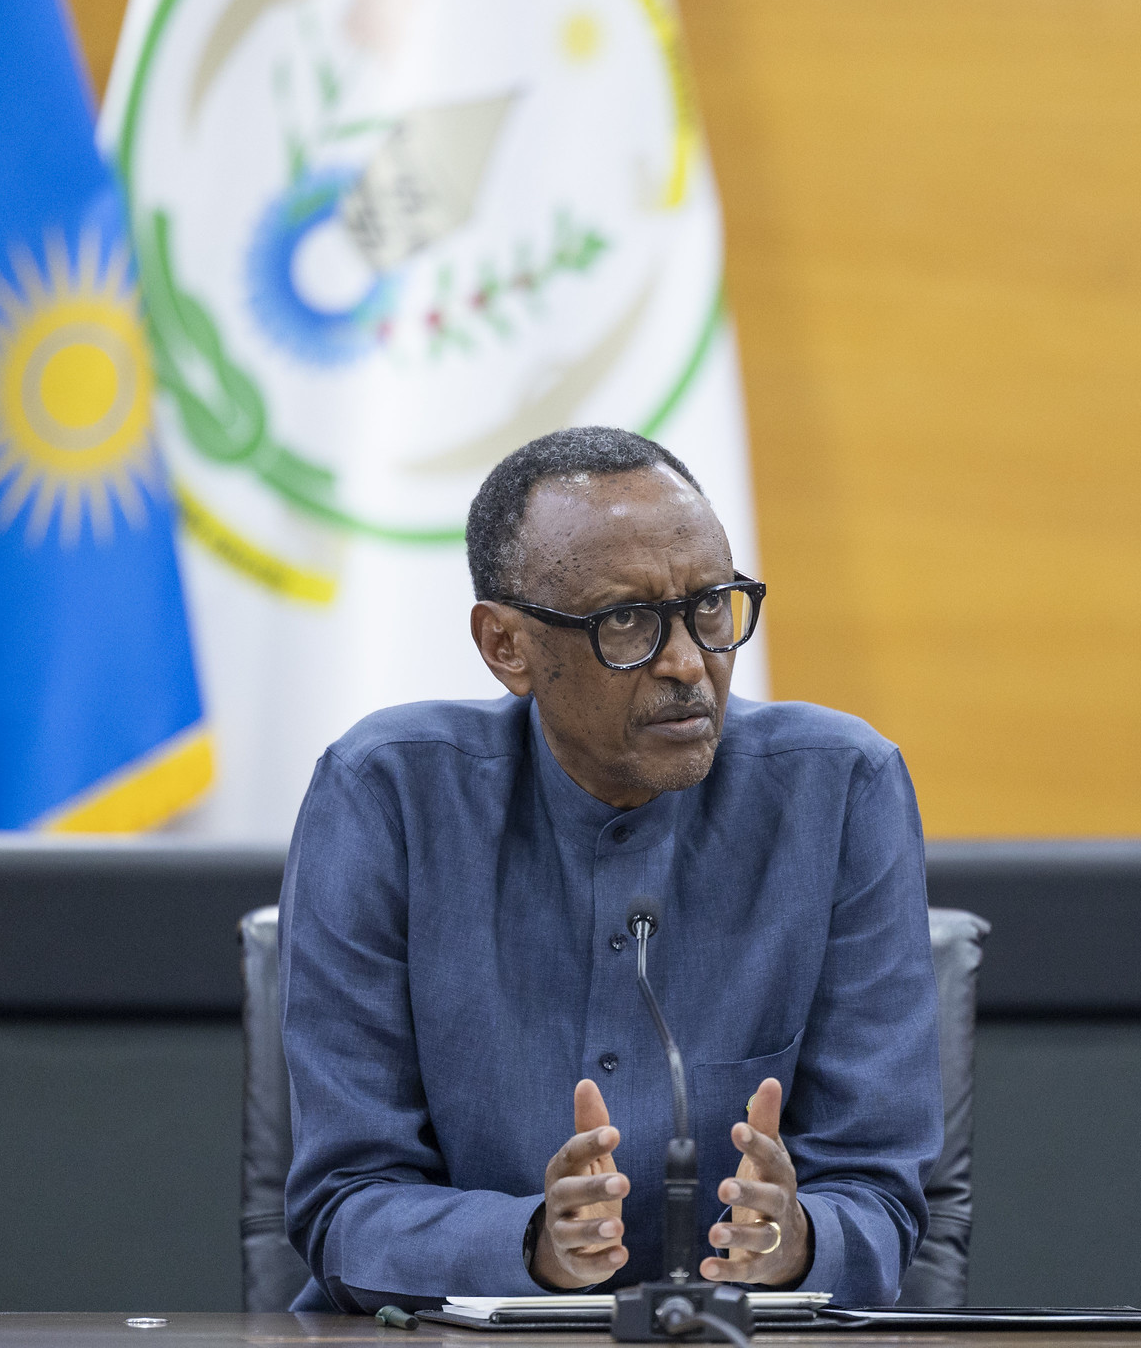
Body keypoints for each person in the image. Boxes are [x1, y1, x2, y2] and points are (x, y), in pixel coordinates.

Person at [279, 426, 942, 1311]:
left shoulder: (840, 791)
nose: (686, 663)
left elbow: (883, 1196)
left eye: (712, 606)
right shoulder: (386, 796)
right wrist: (529, 1245)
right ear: (506, 645)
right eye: (626, 620)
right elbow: (343, 1202)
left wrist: (798, 1238)